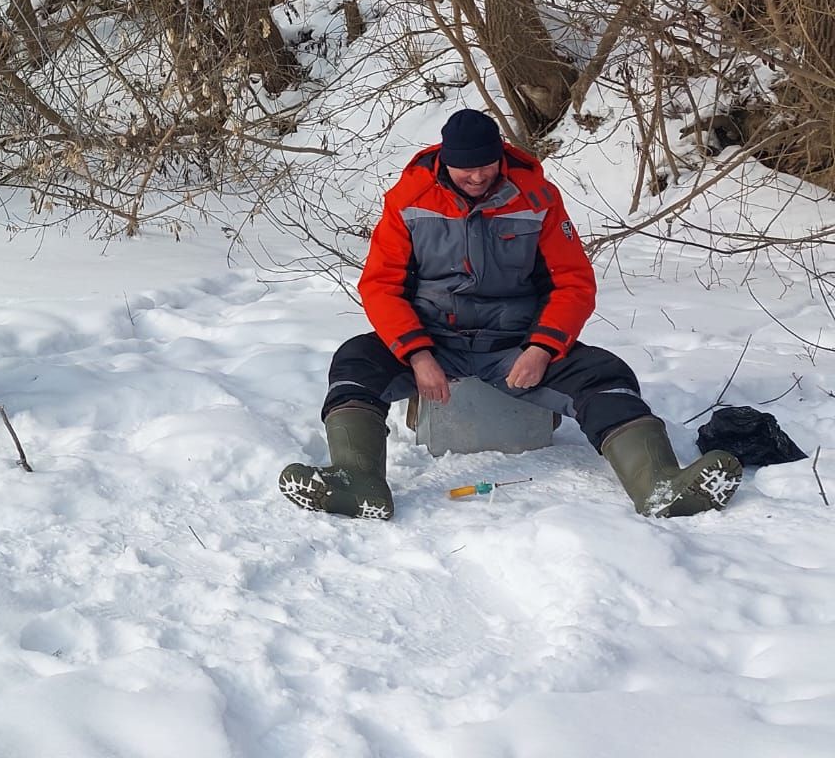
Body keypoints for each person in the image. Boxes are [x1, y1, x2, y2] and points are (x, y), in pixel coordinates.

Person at [280, 108, 742, 520]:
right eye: (465, 170)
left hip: (514, 344)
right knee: (356, 360)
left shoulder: (538, 198)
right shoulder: (408, 200)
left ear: (500, 156)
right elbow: (381, 286)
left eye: (485, 167)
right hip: (435, 339)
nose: (477, 178)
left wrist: (542, 347)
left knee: (605, 374)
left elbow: (573, 282)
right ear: (444, 161)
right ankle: (357, 480)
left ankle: (658, 485)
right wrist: (418, 354)